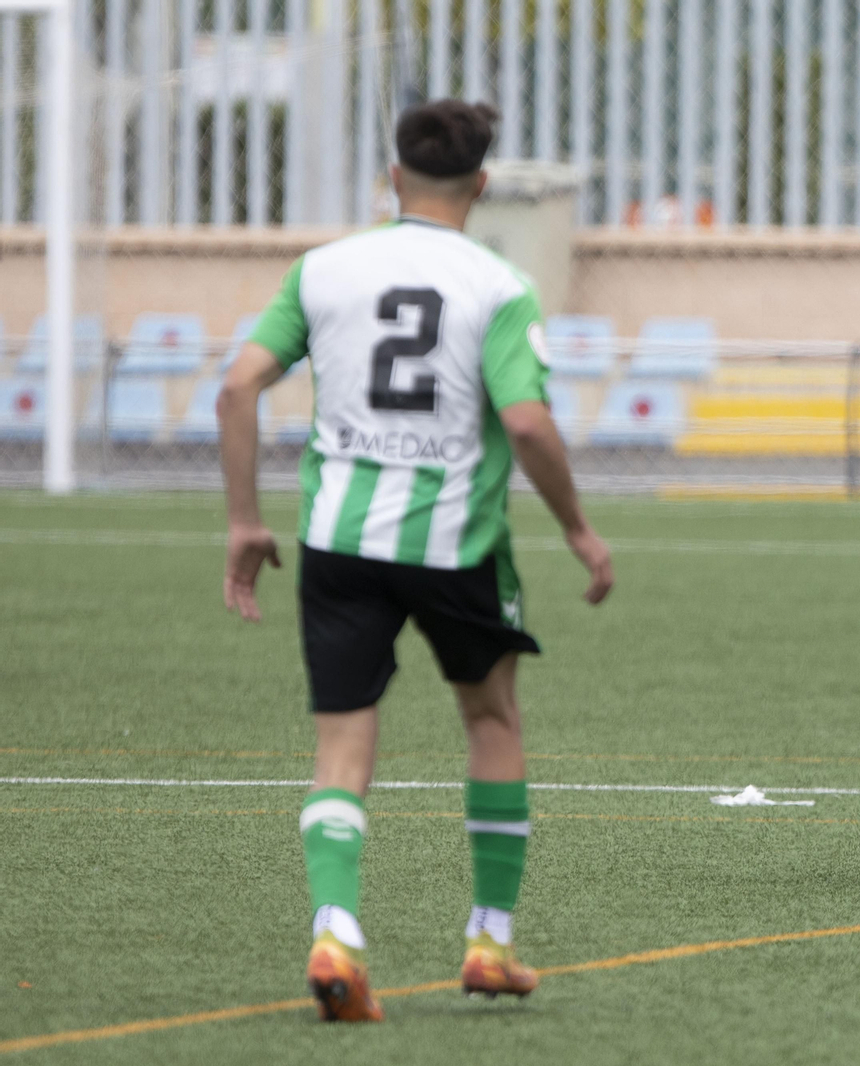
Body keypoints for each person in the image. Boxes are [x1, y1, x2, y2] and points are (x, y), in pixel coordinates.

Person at [217, 99, 613, 1018]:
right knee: (492, 719)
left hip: (338, 543)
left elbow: (238, 390)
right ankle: (488, 940)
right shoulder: (500, 286)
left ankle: (337, 932)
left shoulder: (322, 270)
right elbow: (524, 420)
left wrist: (243, 521)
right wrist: (579, 530)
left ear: (392, 178)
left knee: (342, 746)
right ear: (480, 185)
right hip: (455, 545)